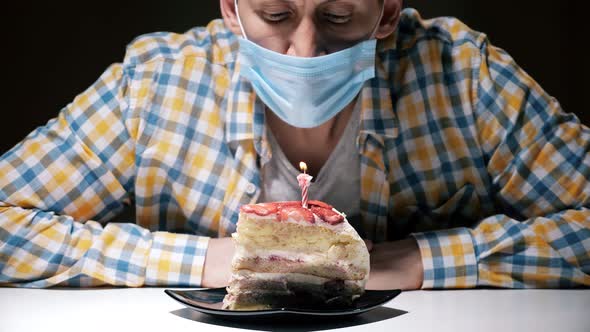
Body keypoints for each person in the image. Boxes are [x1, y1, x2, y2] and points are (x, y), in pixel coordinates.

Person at [0, 0, 588, 290]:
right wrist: (215, 262)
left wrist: (415, 260)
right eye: (275, 14)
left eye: (337, 16)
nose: (304, 50)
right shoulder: (155, 82)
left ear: (385, 12)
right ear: (232, 9)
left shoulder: (465, 75)